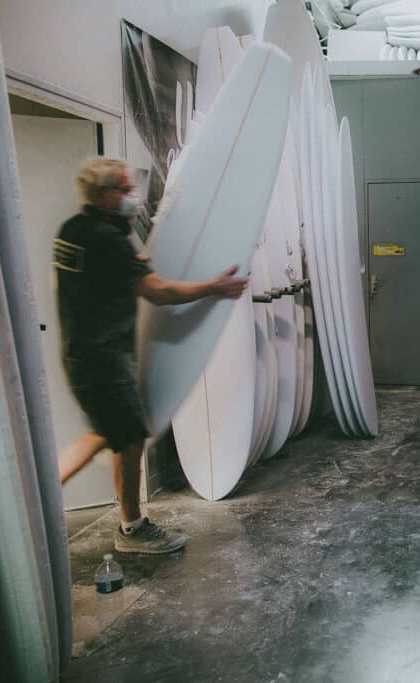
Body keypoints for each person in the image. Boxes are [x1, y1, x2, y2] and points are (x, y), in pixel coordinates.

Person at [54, 157, 247, 554]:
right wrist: (214, 287)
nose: (130, 197)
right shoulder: (106, 239)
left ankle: (113, 520)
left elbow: (94, 279)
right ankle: (129, 528)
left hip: (81, 353)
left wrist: (129, 265)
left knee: (116, 435)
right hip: (104, 359)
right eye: (124, 190)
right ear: (104, 194)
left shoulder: (73, 231)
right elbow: (159, 293)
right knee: (121, 437)